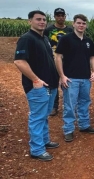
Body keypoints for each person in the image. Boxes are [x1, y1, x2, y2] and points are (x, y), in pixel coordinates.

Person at [14, 10, 60, 161]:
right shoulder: (27, 39)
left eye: (44, 19)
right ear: (30, 21)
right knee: (38, 117)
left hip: (50, 85)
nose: (42, 22)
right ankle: (37, 149)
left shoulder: (44, 38)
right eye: (38, 19)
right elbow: (19, 61)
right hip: (37, 87)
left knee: (44, 116)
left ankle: (44, 141)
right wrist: (35, 80)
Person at [55, 14, 94, 143]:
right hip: (70, 79)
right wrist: (62, 76)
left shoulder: (88, 41)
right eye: (79, 23)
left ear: (86, 25)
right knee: (70, 105)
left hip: (85, 78)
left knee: (84, 103)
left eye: (83, 23)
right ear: (73, 24)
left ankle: (84, 125)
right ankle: (68, 130)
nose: (81, 25)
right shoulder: (66, 39)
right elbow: (58, 57)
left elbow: (92, 57)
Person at [44, 8, 73, 116]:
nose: (60, 17)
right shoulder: (48, 30)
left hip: (68, 61)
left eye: (62, 15)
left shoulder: (70, 30)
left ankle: (68, 105)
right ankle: (54, 106)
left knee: (68, 83)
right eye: (58, 15)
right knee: (53, 83)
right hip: (53, 60)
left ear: (65, 17)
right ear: (54, 17)